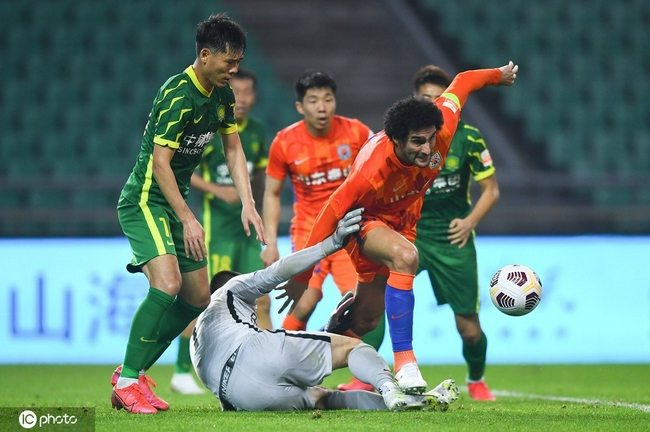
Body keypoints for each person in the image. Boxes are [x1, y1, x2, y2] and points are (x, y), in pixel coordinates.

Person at [280, 62, 518, 396]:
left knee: (366, 320)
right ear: (396, 139)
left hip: (403, 222)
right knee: (406, 257)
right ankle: (405, 363)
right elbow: (330, 212)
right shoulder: (371, 169)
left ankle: (294, 364)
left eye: (430, 140)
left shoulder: (442, 129)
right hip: (363, 221)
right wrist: (303, 274)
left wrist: (498, 76)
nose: (427, 149)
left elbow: (463, 81)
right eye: (417, 142)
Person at [111, 13, 266, 414]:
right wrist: (187, 217)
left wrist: (248, 202)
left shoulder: (222, 95)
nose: (234, 71)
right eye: (229, 62)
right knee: (167, 284)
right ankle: (127, 382)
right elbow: (160, 164)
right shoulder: (178, 94)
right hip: (146, 199)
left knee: (197, 298)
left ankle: (132, 374)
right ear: (205, 54)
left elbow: (233, 148)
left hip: (175, 202)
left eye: (238, 63)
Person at [191, 208, 459, 412]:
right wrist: (330, 244)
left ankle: (413, 403)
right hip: (250, 354)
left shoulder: (201, 337)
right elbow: (275, 273)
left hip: (241, 397)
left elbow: (272, 362)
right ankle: (390, 388)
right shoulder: (229, 290)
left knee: (324, 398)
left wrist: (326, 332)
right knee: (354, 348)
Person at [261, 71, 385, 391]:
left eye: (328, 99)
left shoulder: (357, 132)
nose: (322, 107)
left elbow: (382, 168)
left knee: (364, 302)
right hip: (309, 232)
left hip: (350, 230)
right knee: (305, 301)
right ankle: (278, 367)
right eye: (313, 100)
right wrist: (270, 242)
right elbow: (272, 194)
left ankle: (363, 379)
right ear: (300, 106)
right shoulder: (284, 142)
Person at [165, 68, 271, 395]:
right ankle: (181, 371)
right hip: (217, 233)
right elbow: (184, 170)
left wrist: (255, 207)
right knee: (202, 301)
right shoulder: (213, 130)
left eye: (248, 92)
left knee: (262, 300)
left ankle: (269, 367)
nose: (242, 99)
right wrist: (216, 190)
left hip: (247, 233)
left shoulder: (257, 131)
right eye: (236, 92)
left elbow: (261, 179)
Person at [412, 65, 500, 400]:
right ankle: (363, 378)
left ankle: (476, 379)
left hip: (453, 239)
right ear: (415, 100)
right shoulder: (404, 137)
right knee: (374, 301)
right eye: (426, 98)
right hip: (412, 235)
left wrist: (469, 222)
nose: (434, 105)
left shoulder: (469, 138)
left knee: (469, 328)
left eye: (440, 98)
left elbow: (491, 190)